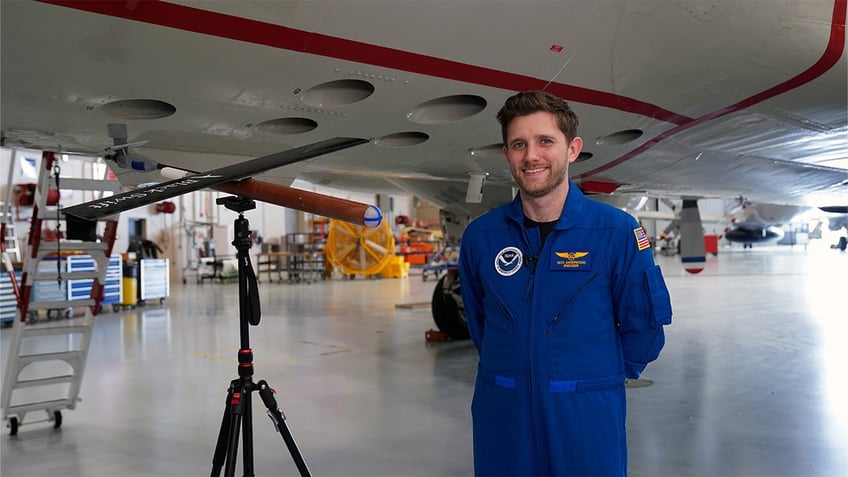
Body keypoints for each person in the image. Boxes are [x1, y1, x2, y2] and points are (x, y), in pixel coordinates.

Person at [458, 90, 672, 476]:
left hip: (586, 414)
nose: (531, 156)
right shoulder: (481, 237)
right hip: (503, 411)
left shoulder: (617, 232)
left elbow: (644, 331)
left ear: (572, 149)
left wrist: (592, 378)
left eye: (545, 142)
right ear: (507, 154)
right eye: (519, 144)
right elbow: (480, 325)